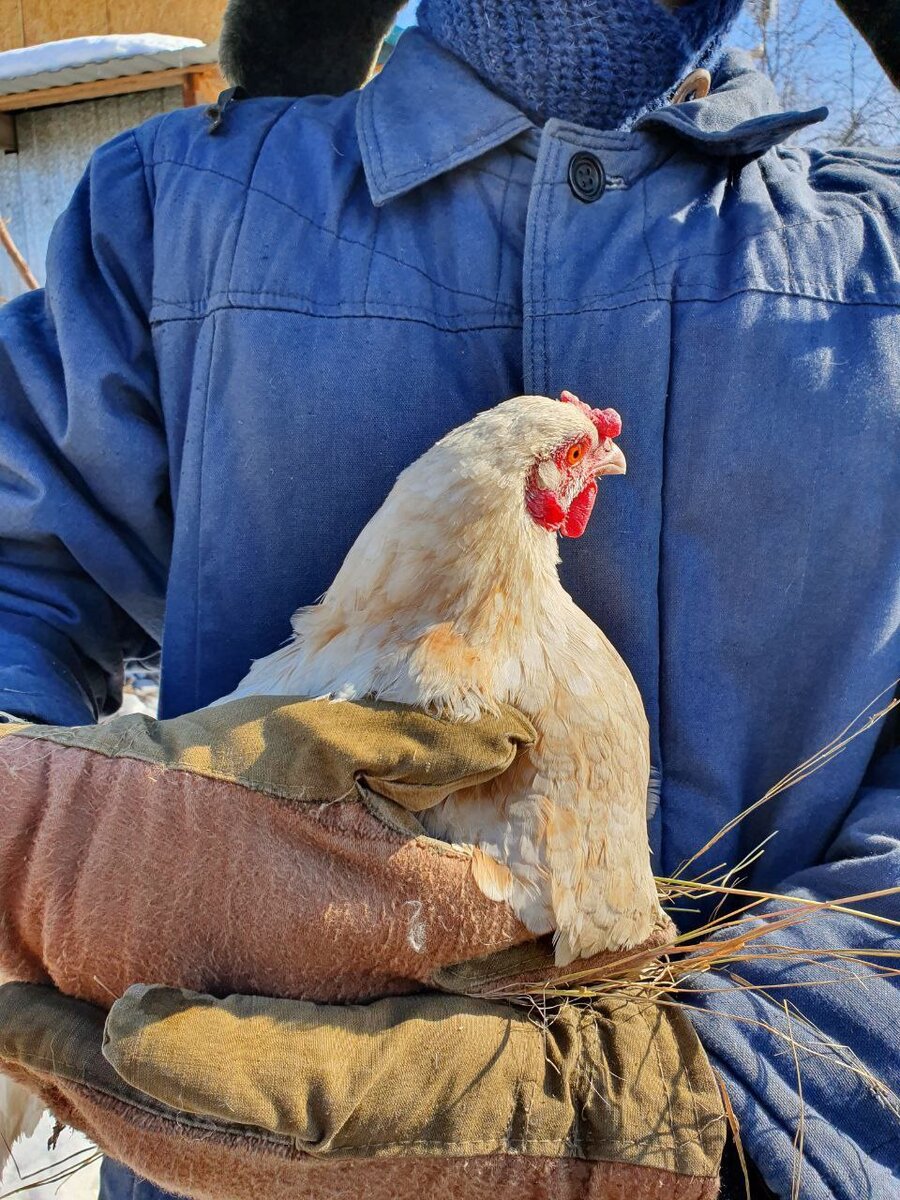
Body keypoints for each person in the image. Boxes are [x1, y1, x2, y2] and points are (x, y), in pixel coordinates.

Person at [0, 0, 897, 1196]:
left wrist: (731, 1100)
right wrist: (48, 824)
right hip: (225, 1133)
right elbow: (17, 569)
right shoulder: (174, 210)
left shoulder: (882, 245)